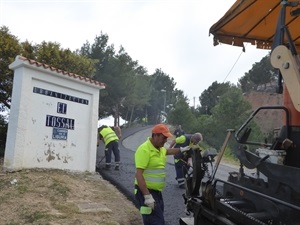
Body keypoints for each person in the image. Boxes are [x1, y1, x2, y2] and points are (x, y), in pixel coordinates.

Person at [134, 124, 190, 225]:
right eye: (164, 138)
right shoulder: (144, 149)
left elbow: (167, 151)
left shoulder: (159, 148)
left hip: (157, 192)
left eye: (166, 138)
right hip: (145, 192)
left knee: (155, 220)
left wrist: (182, 149)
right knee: (156, 221)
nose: (165, 140)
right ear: (155, 135)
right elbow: (138, 175)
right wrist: (147, 196)